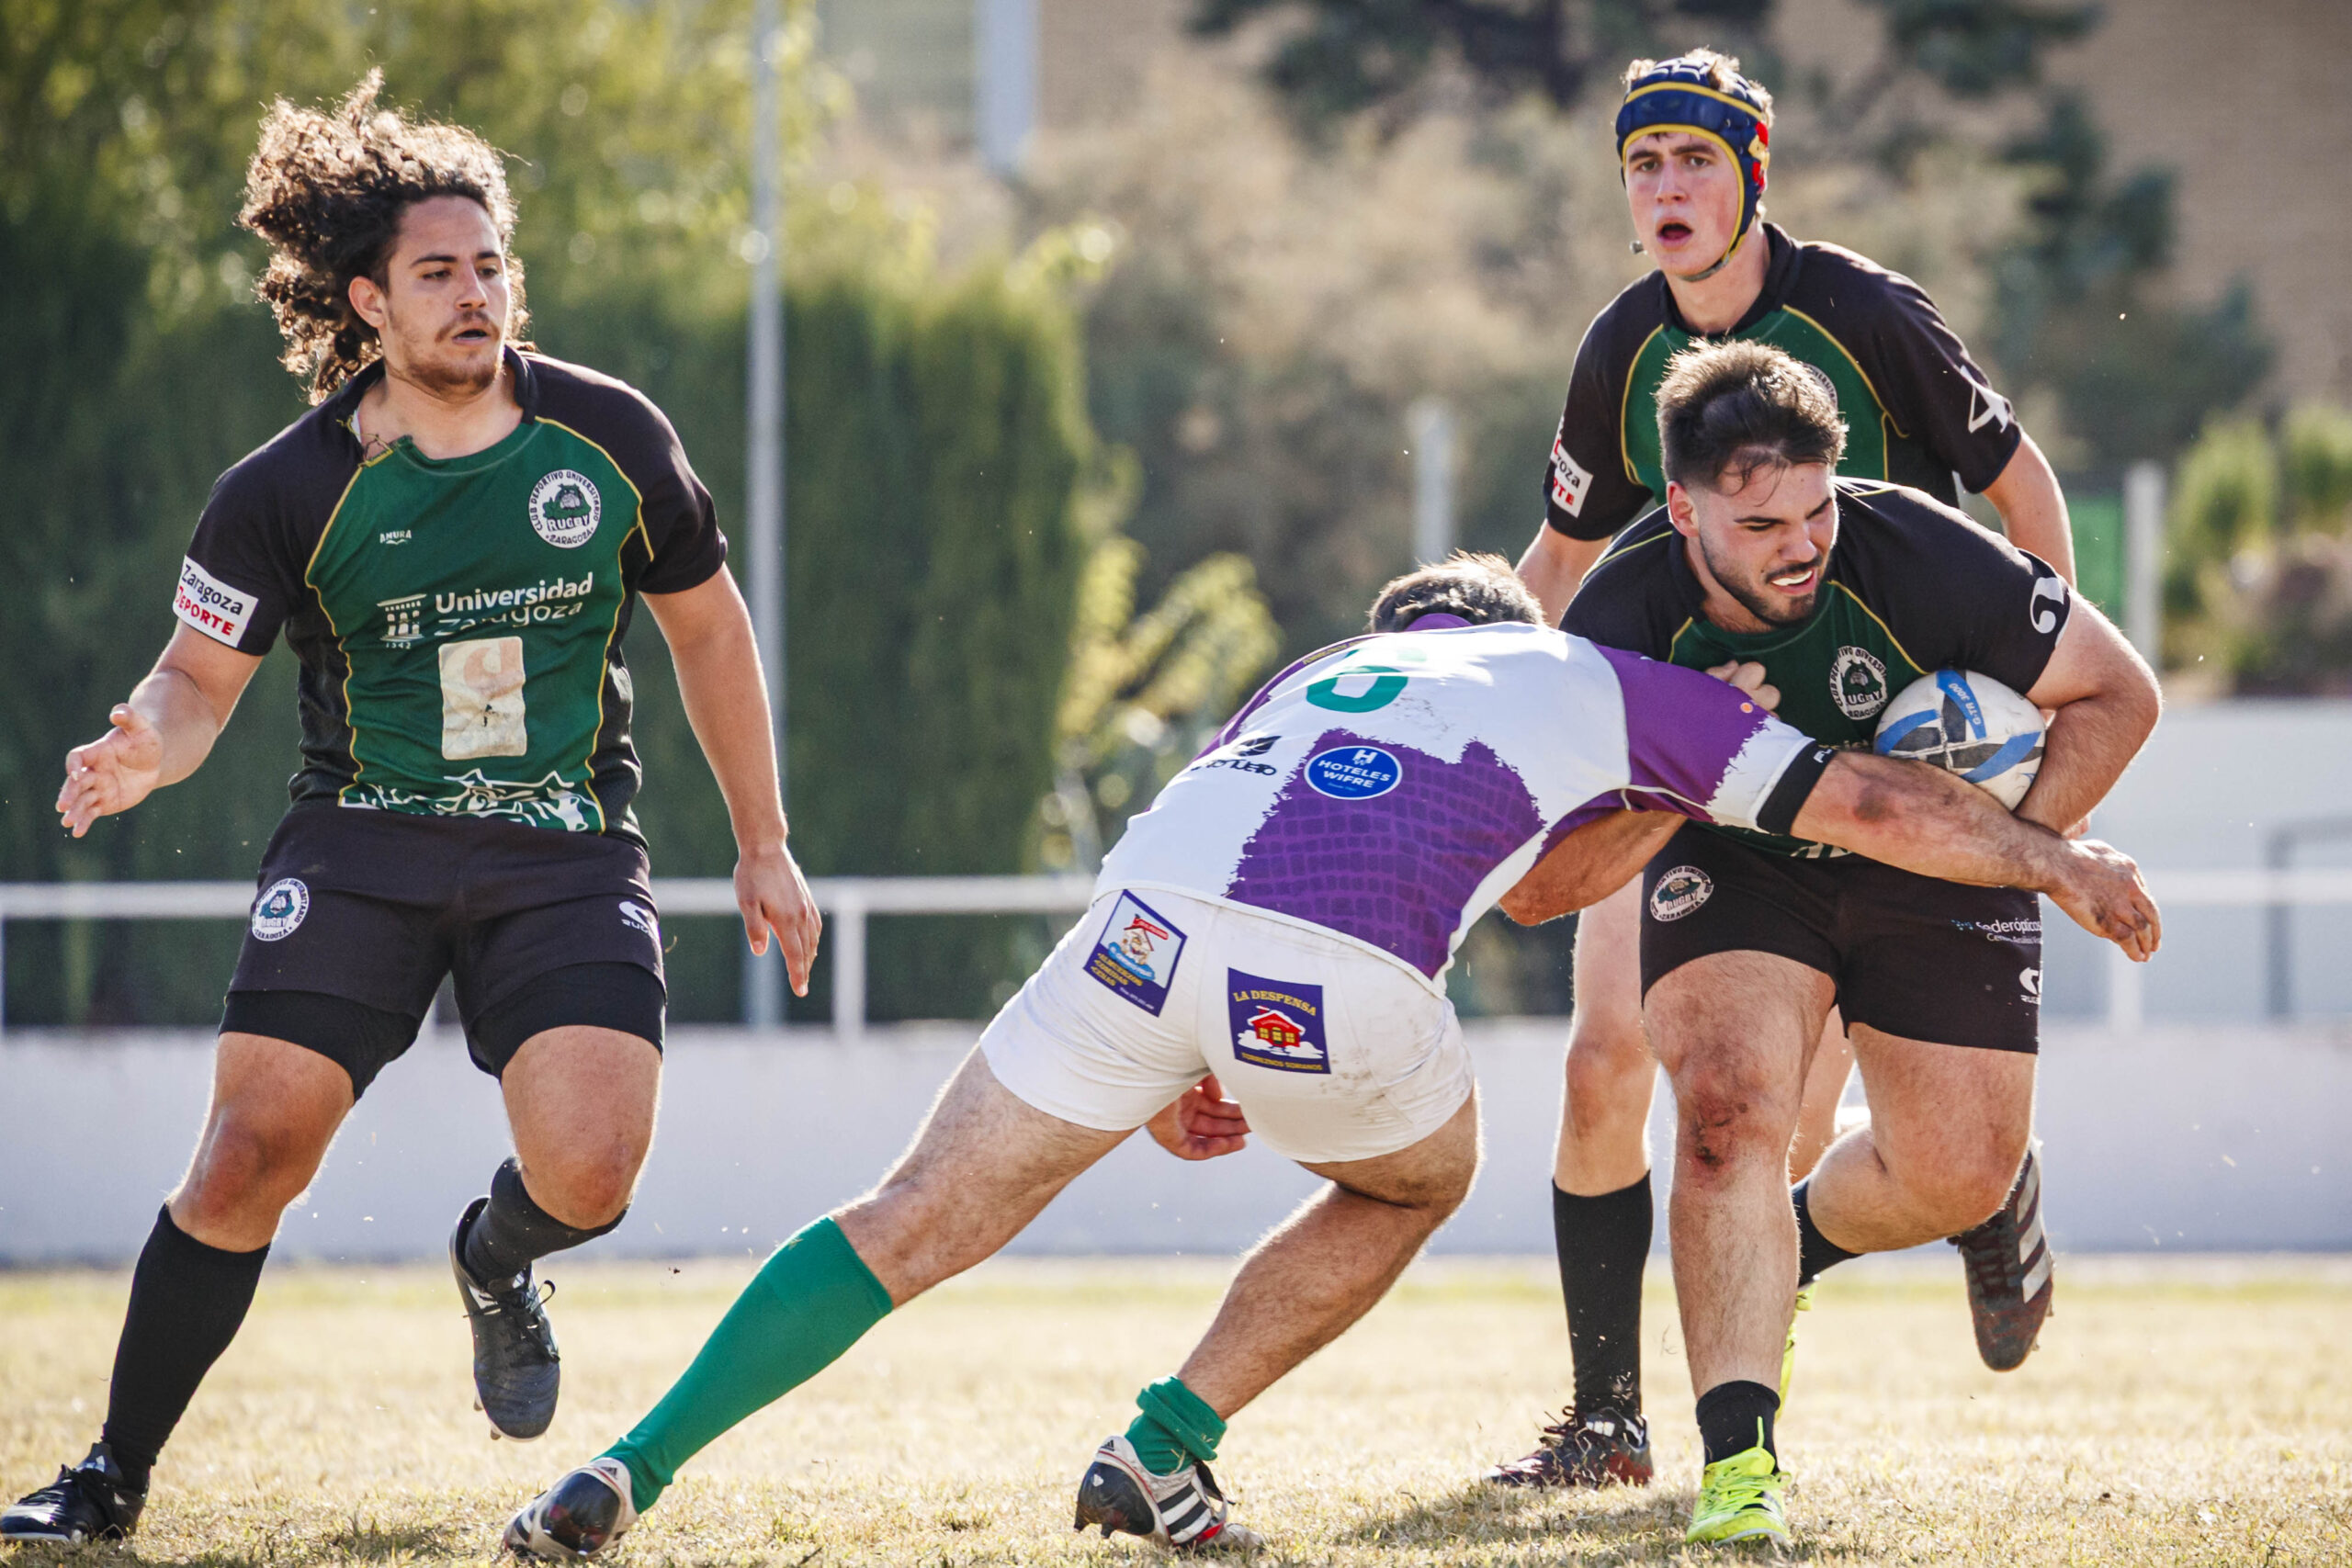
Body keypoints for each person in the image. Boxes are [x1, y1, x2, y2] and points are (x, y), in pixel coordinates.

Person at [493, 554, 2156, 1561]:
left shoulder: (1320, 673)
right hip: (1327, 974)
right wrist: (2058, 861)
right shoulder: (1597, 672)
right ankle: (1168, 1438)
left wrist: (1199, 1057)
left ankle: (629, 1466)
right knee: (1423, 1177)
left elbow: (1410, 855)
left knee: (911, 1214)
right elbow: (1873, 807)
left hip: (1137, 934)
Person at [1, 76, 820, 1546]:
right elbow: (198, 678)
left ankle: (496, 1257)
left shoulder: (612, 439)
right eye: (438, 272)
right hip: (361, 841)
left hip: (563, 845)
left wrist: (765, 842)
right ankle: (109, 1476)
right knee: (247, 1158)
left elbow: (709, 630)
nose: (476, 294)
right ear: (368, 300)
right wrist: (145, 746)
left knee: (595, 1172)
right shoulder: (286, 488)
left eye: (492, 265)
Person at [1489, 47, 2086, 1491]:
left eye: (1695, 160)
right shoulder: (1623, 347)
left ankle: (1938, 1208)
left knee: (1799, 1127)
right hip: (1712, 750)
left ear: (1752, 173)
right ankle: (1607, 1424)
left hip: (1884, 758)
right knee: (1601, 1065)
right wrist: (1475, 715)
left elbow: (2019, 490)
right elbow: (1562, 569)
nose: (1668, 188)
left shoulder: (1870, 313)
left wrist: (2024, 705)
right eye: (1643, 166)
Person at [1535, 340, 2160, 1544]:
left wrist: (2005, 848)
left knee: (1959, 1174)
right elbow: (1545, 886)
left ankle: (1794, 1242)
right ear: (1681, 509)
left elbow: (2120, 692)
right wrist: (1685, 769)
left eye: (1817, 508)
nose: (1804, 543)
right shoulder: (1618, 622)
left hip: (1935, 857)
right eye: (1763, 522)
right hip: (1738, 865)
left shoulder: (1916, 550)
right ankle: (1738, 1471)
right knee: (1725, 1118)